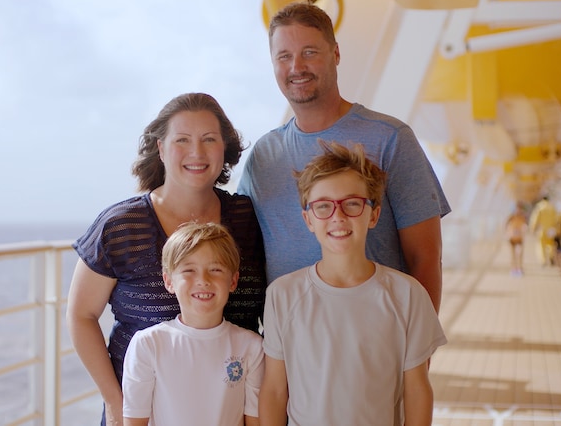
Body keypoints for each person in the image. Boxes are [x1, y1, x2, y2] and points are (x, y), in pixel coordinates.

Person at [66, 93, 266, 426]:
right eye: (182, 140)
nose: (196, 152)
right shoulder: (120, 225)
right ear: (161, 148)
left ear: (225, 149)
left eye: (209, 139)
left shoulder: (248, 219)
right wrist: (115, 402)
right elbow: (80, 315)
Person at [237, 1, 450, 311]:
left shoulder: (390, 138)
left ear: (335, 54)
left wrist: (421, 337)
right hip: (289, 336)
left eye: (309, 52)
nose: (296, 67)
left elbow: (425, 257)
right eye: (284, 56)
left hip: (377, 330)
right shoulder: (264, 154)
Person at [259, 140, 446, 425]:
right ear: (308, 219)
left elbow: (417, 390)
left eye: (352, 204)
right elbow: (274, 390)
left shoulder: (407, 295)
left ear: (374, 214)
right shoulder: (282, 295)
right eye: (323, 206)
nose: (338, 217)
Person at [122, 222, 264, 426]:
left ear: (233, 281)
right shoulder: (148, 344)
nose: (203, 280)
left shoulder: (252, 347)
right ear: (169, 281)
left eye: (215, 269)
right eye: (189, 270)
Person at [529, 195, 559, 266]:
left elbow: (535, 218)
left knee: (541, 245)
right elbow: (557, 219)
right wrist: (556, 229)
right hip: (551, 229)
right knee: (551, 244)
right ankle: (551, 256)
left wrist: (532, 228)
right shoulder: (552, 207)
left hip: (542, 229)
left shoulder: (540, 207)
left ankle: (543, 260)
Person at [505, 203, 529, 276]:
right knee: (514, 253)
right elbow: (506, 224)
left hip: (517, 237)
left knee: (518, 253)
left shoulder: (518, 216)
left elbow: (506, 224)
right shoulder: (518, 216)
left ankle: (518, 268)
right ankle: (515, 268)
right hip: (514, 236)